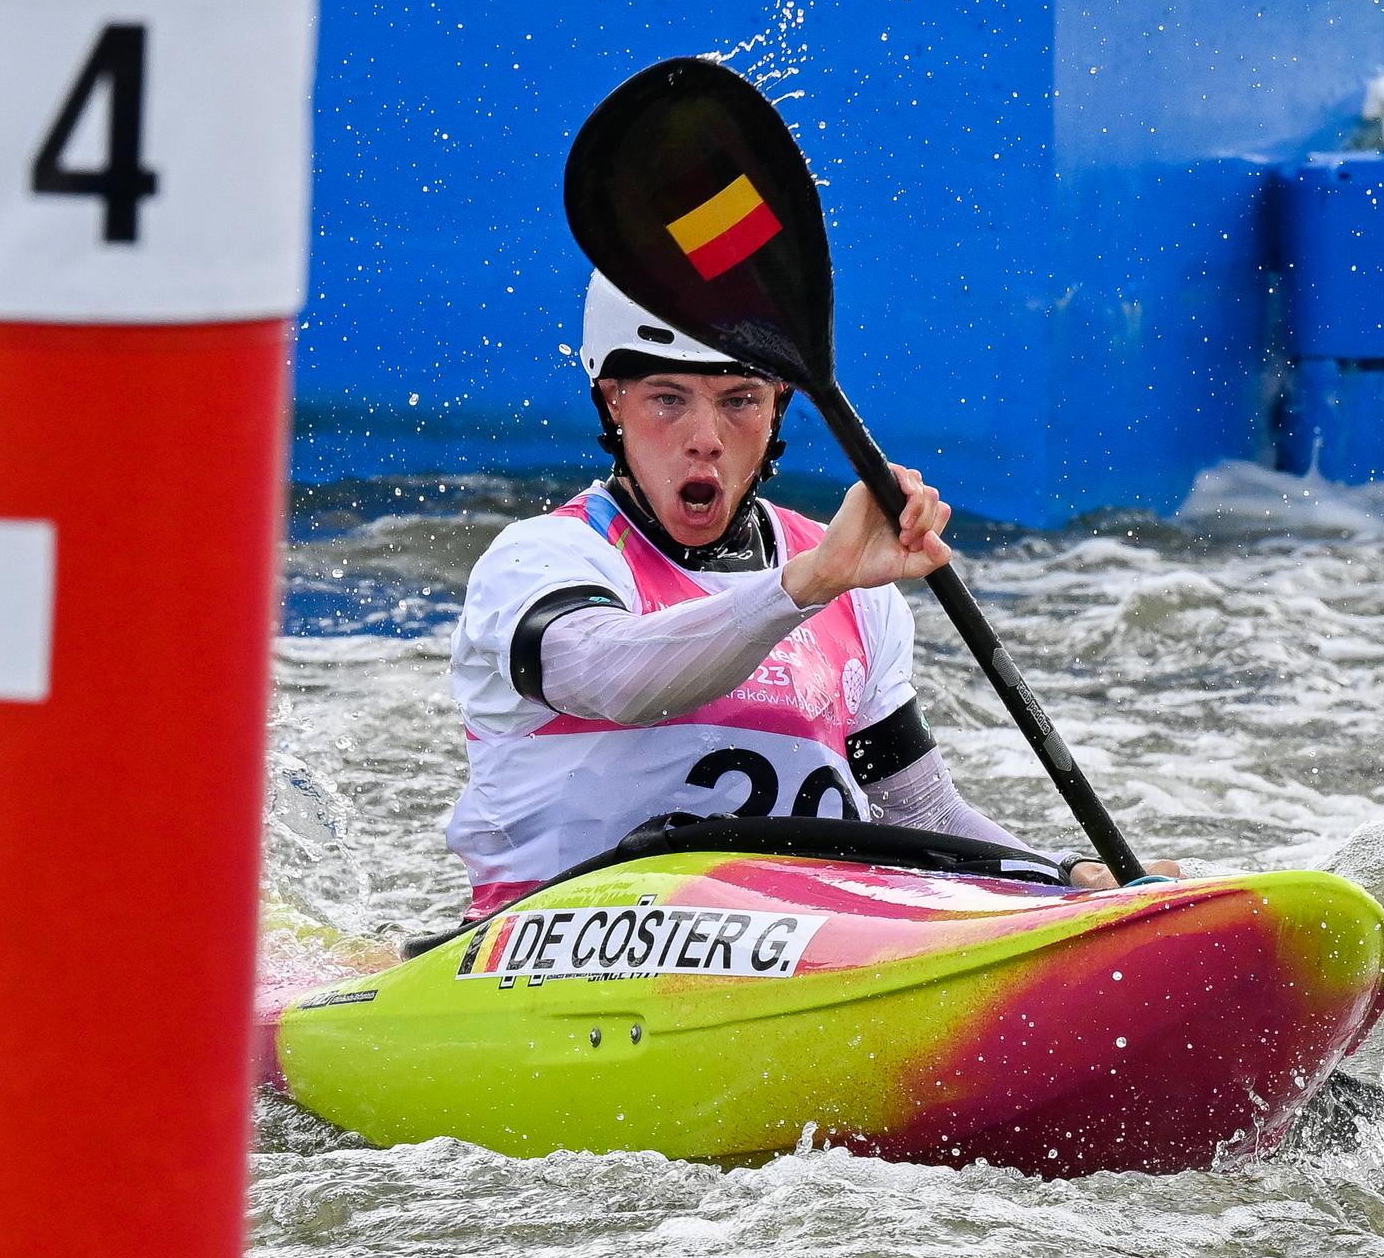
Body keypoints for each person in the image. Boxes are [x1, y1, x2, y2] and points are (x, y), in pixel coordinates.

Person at [445, 272, 1176, 918]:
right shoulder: (545, 559)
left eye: (740, 401)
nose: (706, 438)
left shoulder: (854, 587)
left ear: (779, 408)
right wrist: (806, 584)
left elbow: (918, 811)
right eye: (668, 399)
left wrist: (1062, 880)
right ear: (613, 403)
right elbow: (614, 677)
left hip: (795, 946)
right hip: (551, 951)